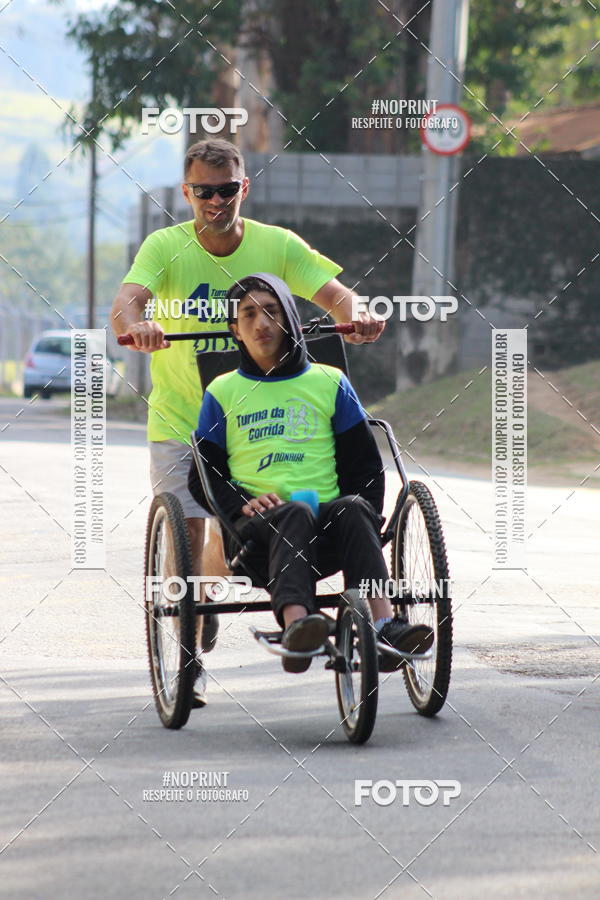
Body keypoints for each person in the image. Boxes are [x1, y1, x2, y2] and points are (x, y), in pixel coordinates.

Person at [110, 138, 384, 660]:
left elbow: (336, 296)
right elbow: (128, 299)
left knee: (245, 528)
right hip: (185, 419)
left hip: (263, 421)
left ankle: (225, 570)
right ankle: (189, 645)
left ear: (244, 188)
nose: (216, 201)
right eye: (204, 192)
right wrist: (138, 325)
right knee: (189, 532)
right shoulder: (165, 247)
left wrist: (360, 316)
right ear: (187, 193)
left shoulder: (277, 244)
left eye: (227, 189)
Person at [188, 273, 432, 700]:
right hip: (259, 537)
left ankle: (383, 624)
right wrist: (241, 502)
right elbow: (203, 475)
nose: (262, 323)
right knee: (294, 512)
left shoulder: (329, 381)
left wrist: (367, 518)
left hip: (332, 531)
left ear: (290, 319)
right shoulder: (223, 391)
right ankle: (299, 626)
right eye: (249, 315)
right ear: (235, 330)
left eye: (272, 311)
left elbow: (365, 465)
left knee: (353, 507)